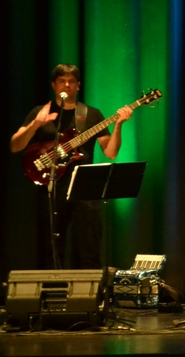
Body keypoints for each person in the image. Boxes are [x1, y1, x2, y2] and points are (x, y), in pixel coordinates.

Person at [10, 63, 133, 269]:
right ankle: (53, 296)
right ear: (54, 85)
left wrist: (118, 124)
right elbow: (15, 146)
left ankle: (89, 298)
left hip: (84, 189)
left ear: (78, 86)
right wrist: (36, 125)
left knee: (89, 249)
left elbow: (110, 152)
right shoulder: (40, 112)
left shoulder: (91, 114)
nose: (66, 85)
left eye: (71, 82)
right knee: (51, 249)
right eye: (62, 81)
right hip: (52, 187)